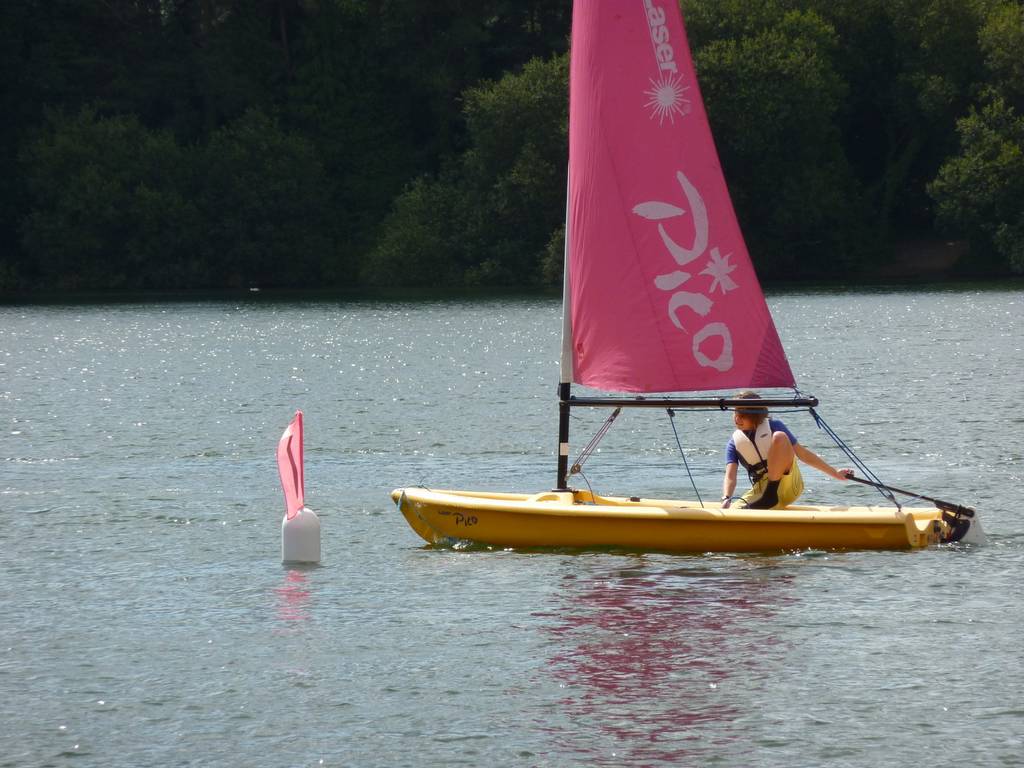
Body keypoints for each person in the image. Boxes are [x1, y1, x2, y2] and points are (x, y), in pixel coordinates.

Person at [721, 391, 852, 509]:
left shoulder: (775, 426)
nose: (737, 419)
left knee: (779, 436)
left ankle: (770, 497)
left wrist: (835, 473)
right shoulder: (734, 443)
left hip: (790, 484)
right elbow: (730, 475)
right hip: (761, 489)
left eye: (743, 415)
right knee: (733, 512)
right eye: (736, 414)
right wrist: (727, 498)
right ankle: (768, 500)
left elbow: (804, 455)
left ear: (756, 415)